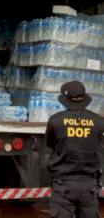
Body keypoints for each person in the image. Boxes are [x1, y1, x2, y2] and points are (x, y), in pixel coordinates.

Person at [46, 80, 104, 218]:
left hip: (63, 184)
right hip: (89, 185)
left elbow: (50, 143)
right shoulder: (98, 122)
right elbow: (98, 146)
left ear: (66, 100)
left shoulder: (55, 120)